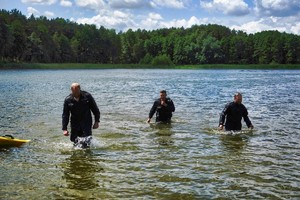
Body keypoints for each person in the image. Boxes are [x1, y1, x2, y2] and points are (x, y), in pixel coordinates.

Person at [62, 83, 100, 147]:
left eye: (76, 91)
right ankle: (77, 156)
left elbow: (95, 110)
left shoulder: (87, 96)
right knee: (75, 141)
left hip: (86, 122)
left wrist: (97, 121)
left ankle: (87, 156)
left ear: (79, 89)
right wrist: (64, 129)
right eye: (73, 92)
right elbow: (65, 115)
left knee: (87, 141)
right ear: (71, 90)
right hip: (75, 124)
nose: (75, 94)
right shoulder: (68, 100)